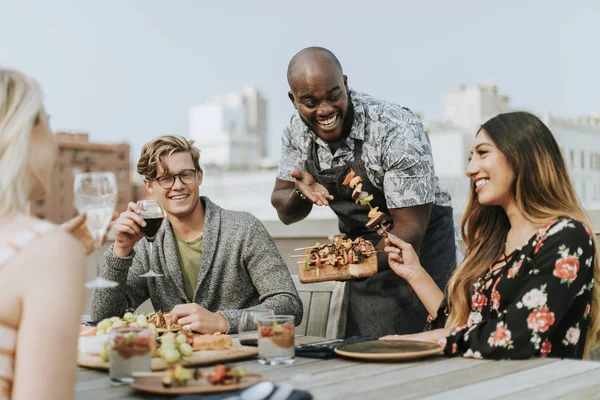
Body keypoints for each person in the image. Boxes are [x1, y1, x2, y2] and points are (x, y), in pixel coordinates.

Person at [271, 47, 456, 337]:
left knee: (426, 354)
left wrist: (343, 261)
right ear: (294, 100)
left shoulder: (396, 129)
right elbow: (284, 211)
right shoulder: (296, 131)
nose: (325, 110)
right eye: (310, 102)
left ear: (345, 83)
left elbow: (410, 229)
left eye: (334, 96)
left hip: (419, 251)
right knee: (366, 351)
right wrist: (300, 191)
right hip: (363, 257)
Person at [382, 111, 599, 359]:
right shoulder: (493, 242)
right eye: (470, 156)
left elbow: (519, 335)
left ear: (522, 158)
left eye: (483, 153)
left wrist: (421, 340)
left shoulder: (568, 237)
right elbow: (459, 327)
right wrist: (415, 273)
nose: (470, 169)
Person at [91, 135, 303, 333]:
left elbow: (289, 305)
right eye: (166, 178)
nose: (178, 186)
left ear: (199, 176)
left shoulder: (244, 229)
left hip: (245, 359)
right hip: (178, 365)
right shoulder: (148, 247)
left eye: (186, 175)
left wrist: (223, 321)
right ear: (149, 185)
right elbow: (103, 317)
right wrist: (121, 251)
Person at [0, 69, 87, 399]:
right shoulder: (50, 252)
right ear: (23, 132)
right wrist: (51, 253)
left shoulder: (43, 250)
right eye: (48, 123)